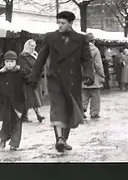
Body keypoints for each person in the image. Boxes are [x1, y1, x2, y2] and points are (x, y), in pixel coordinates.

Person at [30, 11, 95, 153]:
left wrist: (89, 74)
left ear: (71, 23)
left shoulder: (81, 39)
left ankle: (63, 139)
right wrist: (34, 76)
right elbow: (41, 58)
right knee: (58, 107)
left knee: (70, 108)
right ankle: (59, 138)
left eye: (63, 23)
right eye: (58, 22)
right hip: (55, 78)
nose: (59, 26)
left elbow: (87, 59)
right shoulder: (50, 37)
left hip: (73, 79)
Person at [0, 51, 32, 151]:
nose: (9, 64)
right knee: (6, 122)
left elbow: (29, 81)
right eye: (7, 61)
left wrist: (34, 77)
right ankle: (3, 139)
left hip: (18, 103)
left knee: (17, 123)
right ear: (4, 62)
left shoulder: (20, 73)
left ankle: (14, 143)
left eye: (12, 61)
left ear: (15, 62)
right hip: (5, 104)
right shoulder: (1, 74)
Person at [19, 39, 45, 123]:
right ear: (27, 46)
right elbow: (24, 68)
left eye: (34, 46)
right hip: (27, 80)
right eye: (31, 46)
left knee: (30, 99)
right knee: (32, 98)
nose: (33, 48)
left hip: (36, 80)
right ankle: (38, 115)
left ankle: (24, 116)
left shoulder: (35, 55)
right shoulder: (23, 56)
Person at [82, 33, 105, 119]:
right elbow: (98, 65)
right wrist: (102, 75)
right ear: (93, 41)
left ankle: (81, 109)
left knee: (84, 96)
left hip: (83, 77)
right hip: (94, 77)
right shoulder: (95, 50)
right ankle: (94, 113)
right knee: (95, 97)